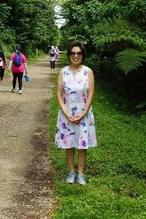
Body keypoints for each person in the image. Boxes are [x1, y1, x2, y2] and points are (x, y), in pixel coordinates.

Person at [55, 41, 96, 185]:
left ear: (83, 55)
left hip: (83, 113)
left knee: (82, 144)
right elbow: (59, 94)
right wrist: (66, 113)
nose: (76, 55)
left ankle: (81, 173)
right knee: (69, 143)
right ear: (69, 55)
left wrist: (84, 113)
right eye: (73, 53)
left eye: (79, 53)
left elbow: (91, 93)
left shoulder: (88, 72)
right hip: (67, 114)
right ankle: (71, 172)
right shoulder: (63, 72)